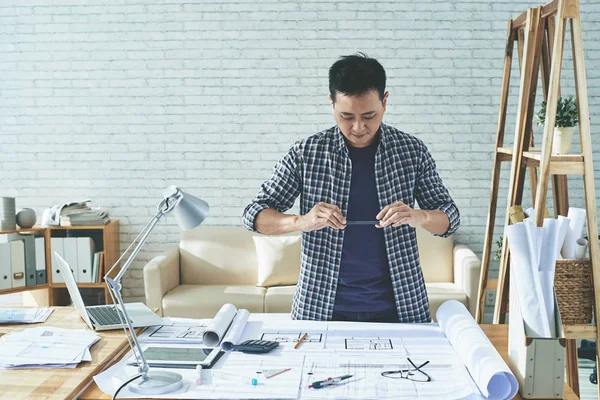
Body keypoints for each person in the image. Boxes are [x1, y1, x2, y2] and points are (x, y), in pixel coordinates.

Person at [242, 53, 459, 323]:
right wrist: (302, 221)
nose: (358, 127)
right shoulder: (307, 152)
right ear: (331, 103)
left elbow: (449, 218)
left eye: (369, 115)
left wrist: (420, 216)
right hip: (319, 307)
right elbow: (255, 215)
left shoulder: (411, 151)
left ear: (385, 101)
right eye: (346, 116)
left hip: (401, 307)